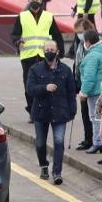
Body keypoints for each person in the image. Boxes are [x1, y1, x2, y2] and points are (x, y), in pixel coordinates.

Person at [25, 42, 76, 185]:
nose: (49, 52)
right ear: (43, 52)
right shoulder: (35, 69)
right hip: (41, 112)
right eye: (47, 50)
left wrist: (72, 109)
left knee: (59, 142)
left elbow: (71, 92)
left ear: (57, 52)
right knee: (40, 143)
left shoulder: (65, 70)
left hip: (60, 112)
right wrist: (45, 87)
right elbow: (30, 89)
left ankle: (57, 172)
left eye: (52, 50)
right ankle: (44, 165)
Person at [12, 0, 65, 118]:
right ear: (28, 0)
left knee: (46, 84)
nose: (35, 2)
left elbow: (56, 34)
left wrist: (60, 51)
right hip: (28, 56)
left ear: (41, 1)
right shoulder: (22, 16)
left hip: (45, 56)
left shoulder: (48, 16)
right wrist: (17, 41)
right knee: (29, 85)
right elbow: (14, 34)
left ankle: (45, 110)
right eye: (32, 0)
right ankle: (32, 111)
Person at [74, 29, 102, 153]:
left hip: (94, 92)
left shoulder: (92, 56)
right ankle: (100, 141)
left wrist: (83, 92)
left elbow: (89, 77)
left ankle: (98, 142)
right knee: (101, 117)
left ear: (87, 42)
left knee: (95, 118)